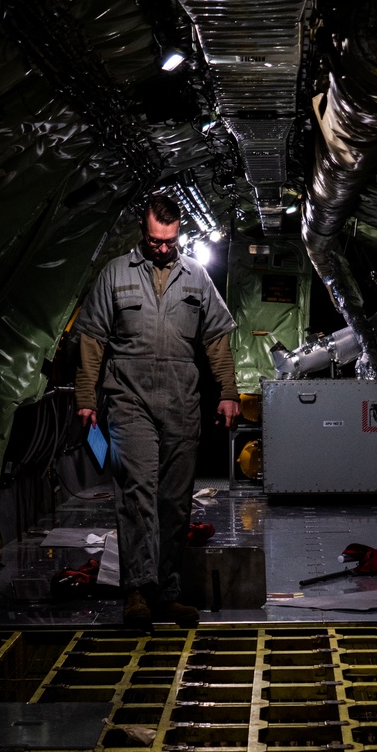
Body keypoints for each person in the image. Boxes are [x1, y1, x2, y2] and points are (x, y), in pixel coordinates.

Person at [74, 192, 240, 630]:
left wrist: (229, 391)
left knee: (174, 503)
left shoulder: (197, 277)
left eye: (170, 241)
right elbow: (91, 338)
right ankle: (138, 593)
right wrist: (86, 398)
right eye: (155, 240)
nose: (163, 248)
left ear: (179, 232)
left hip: (182, 404)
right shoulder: (115, 274)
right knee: (137, 495)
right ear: (142, 231)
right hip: (129, 399)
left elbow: (217, 338)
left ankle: (167, 593)